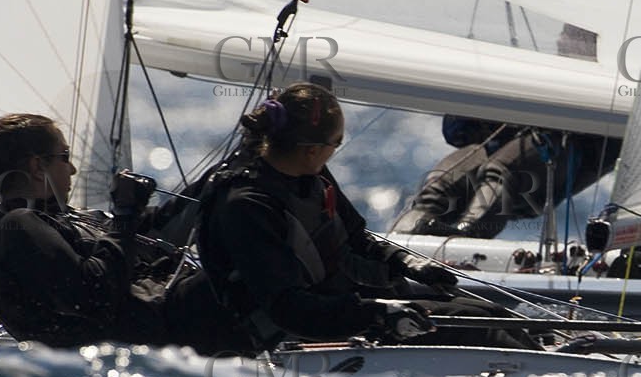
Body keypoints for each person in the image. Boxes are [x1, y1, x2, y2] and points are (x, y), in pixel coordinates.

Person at [196, 84, 538, 350]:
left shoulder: (311, 174)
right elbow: (287, 308)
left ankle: (560, 350)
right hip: (302, 333)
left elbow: (357, 239)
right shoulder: (246, 205)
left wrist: (407, 264)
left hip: (346, 309)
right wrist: (378, 313)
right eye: (336, 143)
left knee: (488, 313)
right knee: (478, 329)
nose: (336, 150)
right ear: (312, 148)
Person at [0, 113, 249, 354]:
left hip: (176, 320)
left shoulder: (72, 218)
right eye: (65, 157)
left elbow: (165, 227)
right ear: (38, 167)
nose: (72, 169)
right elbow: (90, 295)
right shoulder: (18, 226)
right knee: (252, 269)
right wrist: (124, 217)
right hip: (159, 333)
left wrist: (242, 155)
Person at [392, 115, 621, 238]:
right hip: (505, 139)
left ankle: (468, 236)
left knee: (501, 172)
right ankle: (398, 241)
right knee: (441, 184)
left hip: (571, 144)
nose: (563, 39)